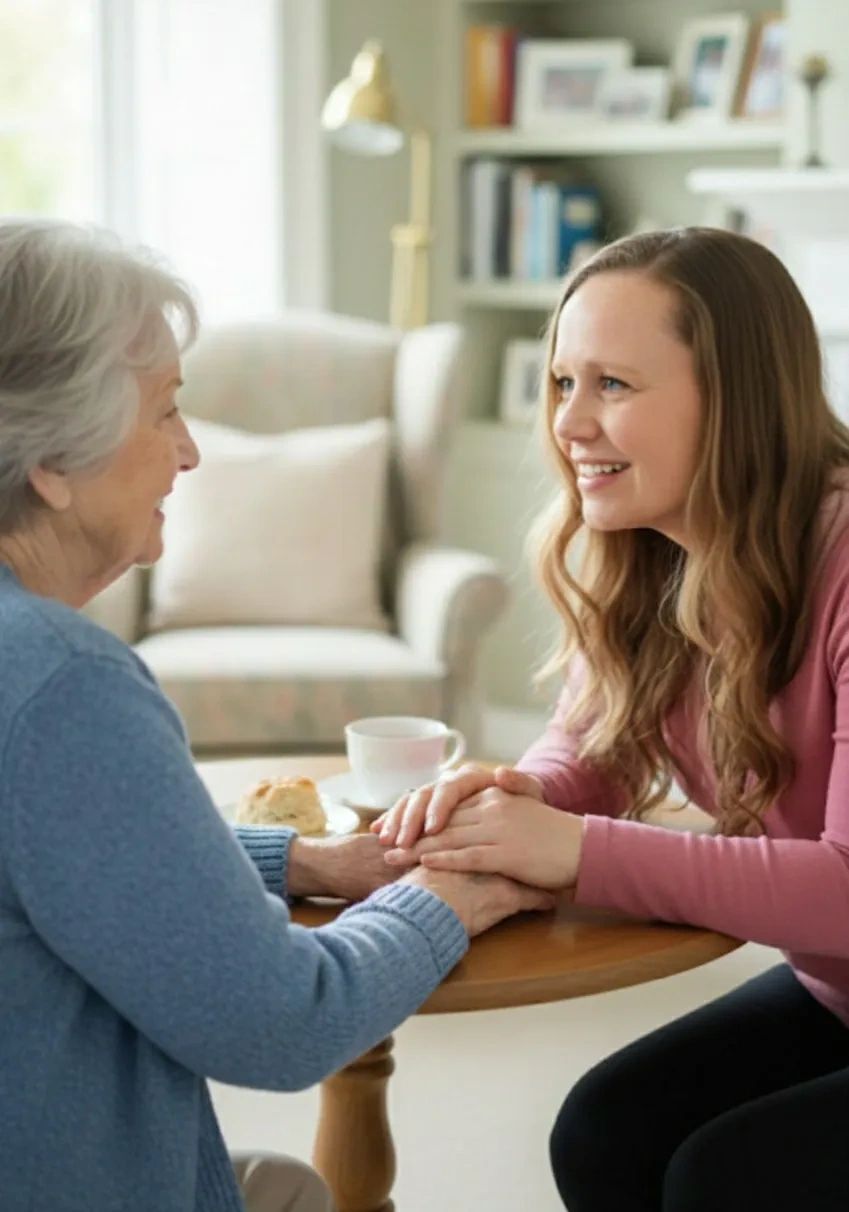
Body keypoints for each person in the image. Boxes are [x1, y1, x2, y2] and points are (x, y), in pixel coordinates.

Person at [0, 219, 552, 1212]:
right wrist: (441, 900)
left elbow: (51, 855)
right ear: (50, 458)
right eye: (165, 412)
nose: (192, 451)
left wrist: (296, 862)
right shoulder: (60, 683)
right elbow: (279, 1022)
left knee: (290, 1187)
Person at [377, 226, 849, 1211]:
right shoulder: (657, 550)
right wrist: (518, 795)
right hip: (836, 994)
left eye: (613, 386)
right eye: (562, 383)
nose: (569, 424)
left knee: (724, 1182)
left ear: (734, 401)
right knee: (603, 1133)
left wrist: (577, 850)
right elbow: (587, 747)